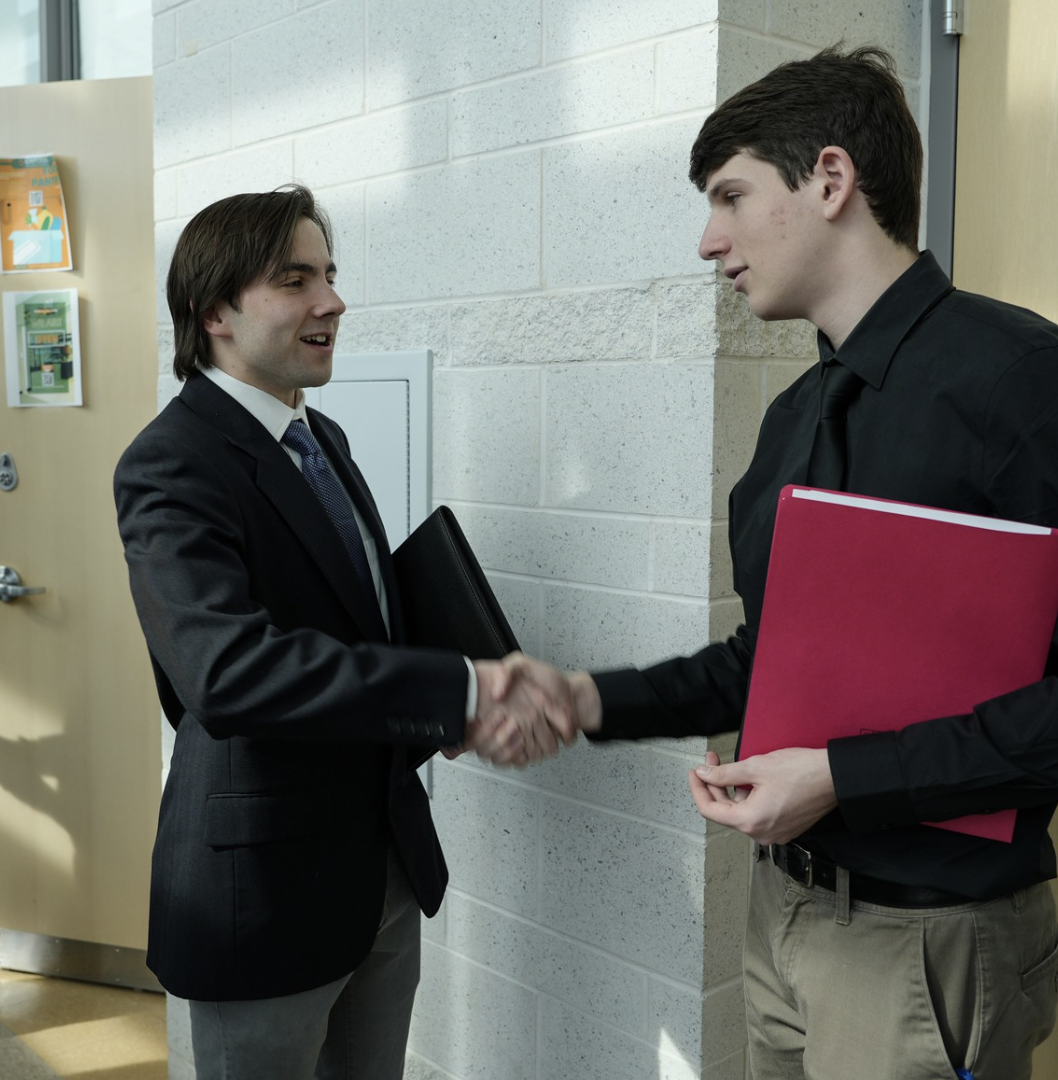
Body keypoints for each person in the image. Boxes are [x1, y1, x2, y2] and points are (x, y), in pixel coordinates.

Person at [509, 45, 1058, 1080]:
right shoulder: (788, 423)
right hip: (781, 914)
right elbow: (765, 662)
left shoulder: (1021, 381)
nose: (707, 240)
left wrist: (839, 777)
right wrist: (585, 698)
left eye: (729, 195)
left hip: (926, 944)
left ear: (830, 180)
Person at [113, 185, 569, 1080]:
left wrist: (455, 693)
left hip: (383, 870)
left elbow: (354, 617)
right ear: (214, 312)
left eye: (330, 274)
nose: (333, 301)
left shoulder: (323, 438)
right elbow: (227, 671)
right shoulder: (169, 464)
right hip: (266, 897)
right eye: (296, 279)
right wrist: (457, 691)